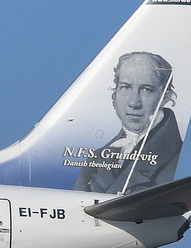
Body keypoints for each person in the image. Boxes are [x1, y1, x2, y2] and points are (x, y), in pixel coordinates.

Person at [74, 51, 183, 193]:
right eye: (125, 87)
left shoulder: (177, 159)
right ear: (115, 94)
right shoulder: (96, 159)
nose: (134, 102)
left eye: (146, 89)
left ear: (165, 97)